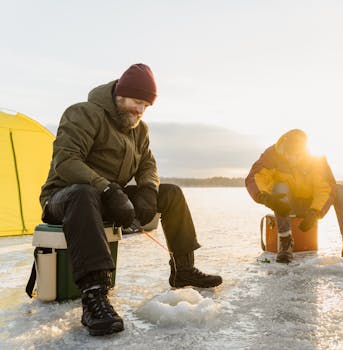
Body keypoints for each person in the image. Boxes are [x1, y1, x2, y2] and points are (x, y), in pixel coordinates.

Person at [39, 64, 222, 336]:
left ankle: (183, 268)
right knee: (83, 193)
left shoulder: (140, 129)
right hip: (65, 198)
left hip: (107, 198)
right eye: (137, 102)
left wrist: (148, 190)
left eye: (146, 106)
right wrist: (108, 190)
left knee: (170, 193)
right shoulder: (83, 114)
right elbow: (67, 161)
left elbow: (148, 165)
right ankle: (94, 295)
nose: (140, 111)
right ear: (119, 95)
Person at [245, 129, 343, 266]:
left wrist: (315, 212)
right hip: (284, 204)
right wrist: (266, 198)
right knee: (280, 187)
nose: (292, 159)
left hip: (310, 205)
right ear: (284, 148)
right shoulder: (272, 154)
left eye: (297, 155)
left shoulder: (316, 158)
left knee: (339, 189)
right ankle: (285, 242)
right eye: (289, 154)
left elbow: (325, 186)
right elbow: (256, 177)